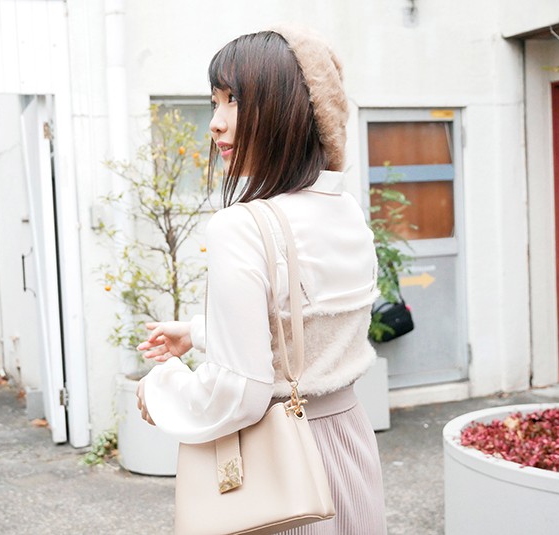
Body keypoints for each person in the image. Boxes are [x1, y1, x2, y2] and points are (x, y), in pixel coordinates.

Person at [134, 25, 387, 535]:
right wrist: (199, 332)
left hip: (282, 469)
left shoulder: (241, 226)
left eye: (235, 101)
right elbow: (307, 328)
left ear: (286, 109)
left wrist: (161, 389)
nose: (216, 123)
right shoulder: (345, 210)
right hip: (349, 448)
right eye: (214, 102)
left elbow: (241, 393)